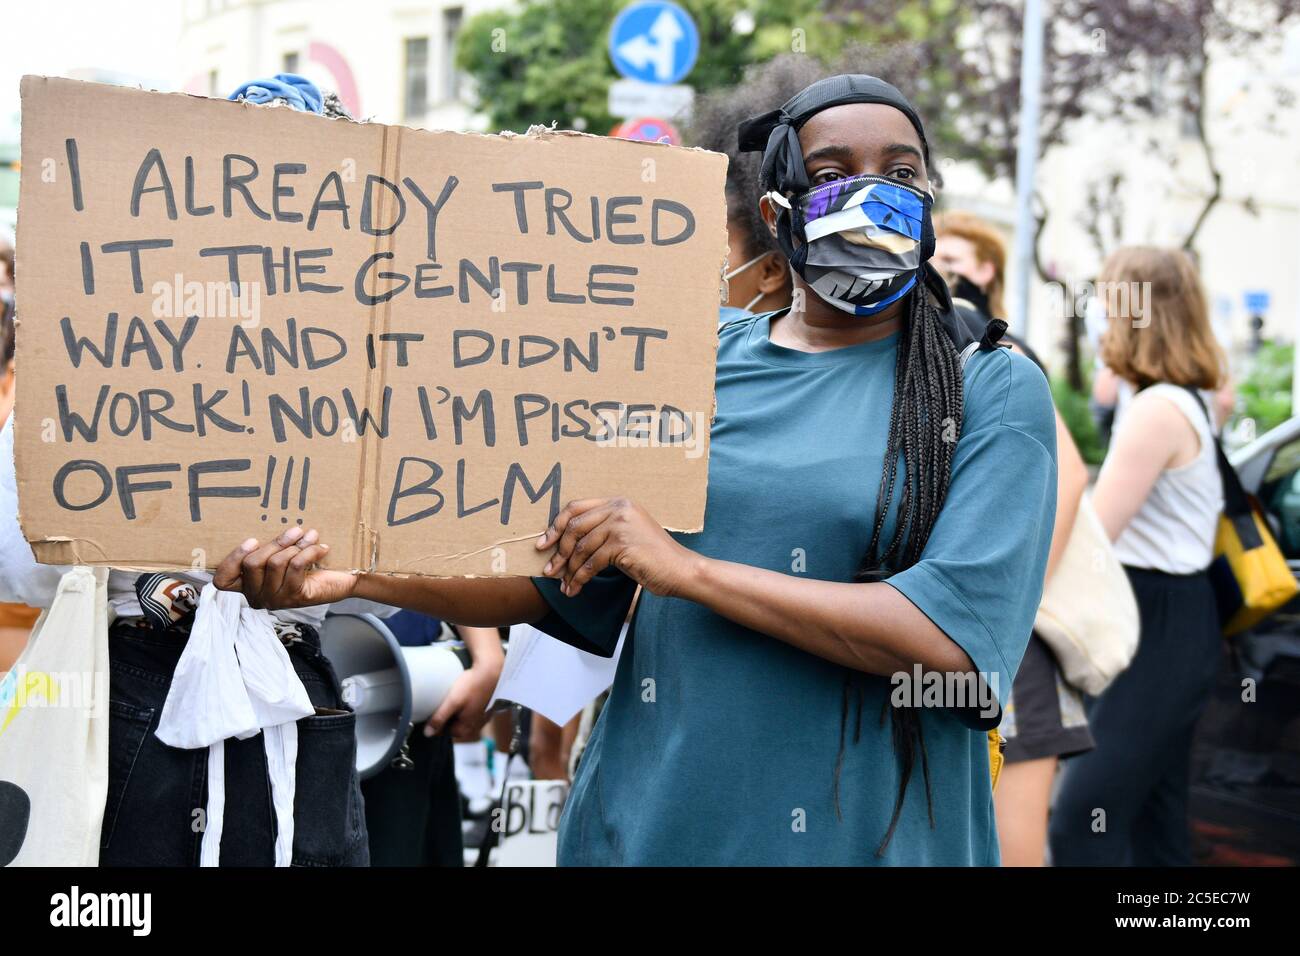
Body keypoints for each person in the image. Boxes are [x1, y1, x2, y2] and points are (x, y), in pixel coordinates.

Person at [215, 74, 1059, 866]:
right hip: (647, 827)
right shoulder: (692, 362)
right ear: (778, 210)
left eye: (900, 171)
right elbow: (554, 576)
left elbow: (955, 645)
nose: (873, 192)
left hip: (875, 841)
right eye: (834, 170)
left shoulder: (990, 386)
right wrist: (359, 572)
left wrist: (688, 571)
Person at [1049, 247, 1226, 866]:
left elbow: (1095, 531)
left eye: (1105, 297)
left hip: (1155, 620)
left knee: (1080, 818)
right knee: (1155, 819)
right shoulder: (1184, 399)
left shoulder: (1157, 411)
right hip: (1178, 614)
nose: (1098, 311)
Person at [934, 211, 1094, 866]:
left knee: (1011, 843)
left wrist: (1013, 604)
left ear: (986, 270)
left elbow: (1073, 476)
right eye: (934, 259)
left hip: (998, 642)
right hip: (943, 638)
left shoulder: (995, 349)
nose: (941, 272)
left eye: (957, 262)